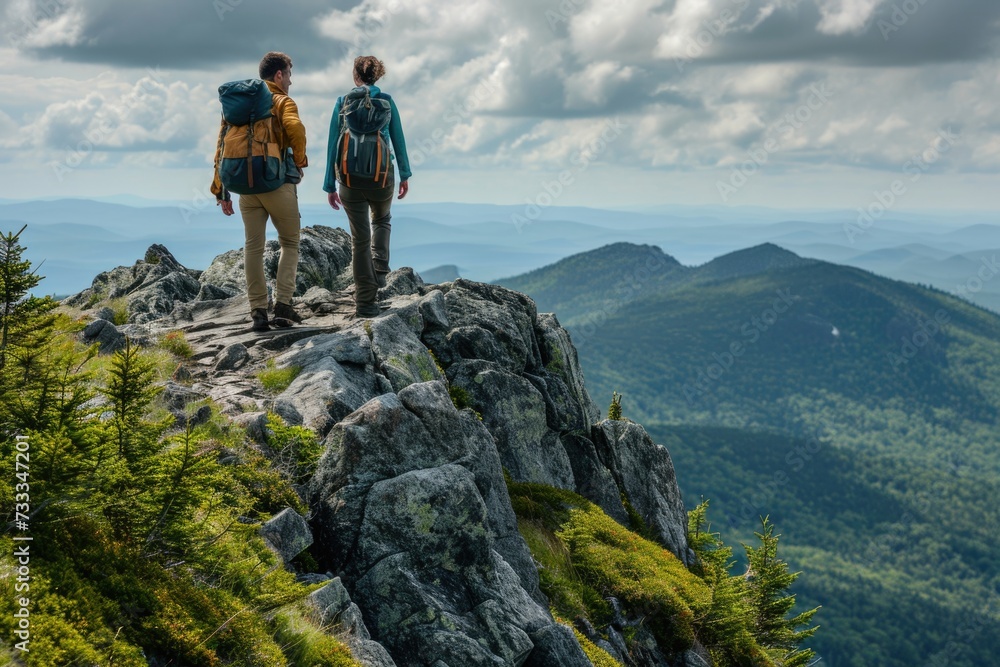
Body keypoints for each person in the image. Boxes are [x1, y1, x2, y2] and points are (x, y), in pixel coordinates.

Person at [212, 51, 308, 332]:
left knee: (253, 247)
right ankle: (283, 306)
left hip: (245, 188)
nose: (290, 80)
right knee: (290, 243)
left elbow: (220, 145)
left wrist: (220, 189)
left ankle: (257, 312)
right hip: (276, 183)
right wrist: (300, 159)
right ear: (278, 75)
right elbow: (295, 128)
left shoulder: (236, 107)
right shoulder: (281, 100)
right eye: (289, 74)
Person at [324, 55, 411, 318]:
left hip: (349, 180)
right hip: (382, 177)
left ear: (355, 76)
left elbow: (332, 145)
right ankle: (381, 270)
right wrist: (405, 174)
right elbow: (398, 139)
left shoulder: (343, 102)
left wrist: (330, 183)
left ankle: (365, 303)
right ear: (378, 76)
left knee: (359, 241)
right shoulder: (386, 101)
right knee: (382, 220)